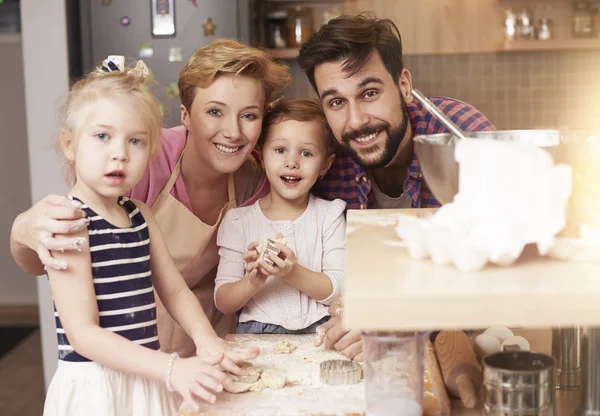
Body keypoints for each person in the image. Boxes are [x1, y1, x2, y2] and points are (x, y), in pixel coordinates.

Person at [9, 39, 291, 357]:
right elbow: (54, 255)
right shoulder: (140, 160)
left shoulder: (256, 179)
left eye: (249, 116)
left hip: (211, 342)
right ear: (184, 115)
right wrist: (21, 230)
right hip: (131, 348)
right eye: (215, 111)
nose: (233, 131)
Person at [41, 57, 258, 416]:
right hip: (98, 388)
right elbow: (83, 334)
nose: (120, 153)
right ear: (69, 144)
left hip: (146, 380)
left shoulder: (139, 215)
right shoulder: (69, 223)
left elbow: (174, 291)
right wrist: (172, 368)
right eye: (102, 136)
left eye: (136, 141)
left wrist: (208, 342)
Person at [297, 13, 496, 361]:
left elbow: (505, 269)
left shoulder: (461, 137)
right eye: (336, 102)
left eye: (370, 93)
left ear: (404, 85)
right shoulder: (321, 160)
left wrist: (396, 317)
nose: (356, 121)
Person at [214, 98, 346, 334]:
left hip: (320, 331)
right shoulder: (238, 221)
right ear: (261, 157)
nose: (291, 163)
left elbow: (337, 289)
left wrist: (292, 273)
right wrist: (252, 281)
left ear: (325, 165)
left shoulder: (330, 215)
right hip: (256, 335)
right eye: (280, 150)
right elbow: (223, 302)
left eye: (306, 153)